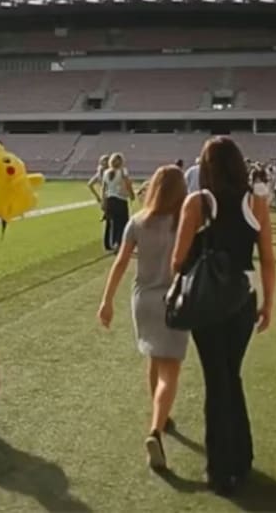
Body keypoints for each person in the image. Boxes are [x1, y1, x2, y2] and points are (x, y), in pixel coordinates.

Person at [171, 136, 276, 496]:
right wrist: (269, 304)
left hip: (209, 303)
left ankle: (222, 469)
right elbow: (268, 258)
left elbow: (177, 260)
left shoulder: (198, 202)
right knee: (230, 375)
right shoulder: (255, 202)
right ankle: (242, 457)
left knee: (217, 381)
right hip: (243, 300)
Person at [97, 165, 188, 470]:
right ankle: (156, 430)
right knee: (169, 370)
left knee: (153, 356)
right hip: (174, 300)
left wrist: (107, 300)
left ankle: (159, 414)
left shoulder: (137, 222)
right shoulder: (185, 223)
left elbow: (121, 263)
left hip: (142, 299)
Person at [102, 153, 134, 252]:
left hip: (110, 200)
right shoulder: (123, 171)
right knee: (123, 222)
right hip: (120, 200)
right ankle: (119, 243)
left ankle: (113, 243)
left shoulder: (106, 172)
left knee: (113, 223)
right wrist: (131, 194)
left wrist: (104, 202)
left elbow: (104, 188)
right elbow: (128, 183)